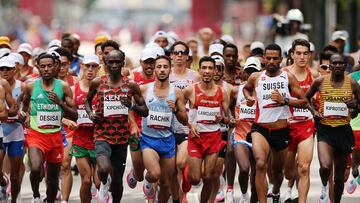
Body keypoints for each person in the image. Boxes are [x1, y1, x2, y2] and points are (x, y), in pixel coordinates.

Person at [243, 43, 307, 203]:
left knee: (278, 172)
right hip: (261, 128)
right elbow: (247, 88)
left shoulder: (288, 77)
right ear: (264, 58)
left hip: (281, 130)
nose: (271, 61)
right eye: (268, 58)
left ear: (281, 59)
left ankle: (276, 191)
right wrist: (249, 98)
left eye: (275, 58)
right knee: (260, 163)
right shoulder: (256, 77)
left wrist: (285, 100)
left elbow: (304, 100)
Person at [84, 50, 148, 203]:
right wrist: (91, 114)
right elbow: (87, 101)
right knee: (104, 168)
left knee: (118, 181)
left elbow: (145, 111)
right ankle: (105, 183)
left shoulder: (130, 85)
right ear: (105, 64)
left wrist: (131, 105)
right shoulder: (98, 82)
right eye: (110, 62)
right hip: (102, 134)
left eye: (117, 62)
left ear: (122, 63)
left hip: (121, 137)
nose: (114, 65)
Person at [20, 53, 78, 203]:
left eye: (49, 66)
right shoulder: (31, 86)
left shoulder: (63, 87)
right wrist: (24, 114)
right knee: (36, 169)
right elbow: (24, 104)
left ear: (55, 67)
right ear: (38, 68)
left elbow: (74, 115)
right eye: (43, 66)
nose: (46, 69)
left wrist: (60, 103)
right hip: (36, 135)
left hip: (55, 137)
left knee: (52, 181)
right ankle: (36, 196)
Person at [306, 53, 360, 203]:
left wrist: (355, 106)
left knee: (339, 177)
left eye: (340, 63)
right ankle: (324, 187)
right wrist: (314, 111)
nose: (337, 66)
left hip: (343, 130)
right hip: (325, 129)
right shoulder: (320, 81)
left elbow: (359, 107)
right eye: (334, 63)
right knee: (325, 166)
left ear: (345, 66)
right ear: (329, 66)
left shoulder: (353, 84)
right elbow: (306, 98)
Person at [182, 56, 230, 203]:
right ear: (199, 71)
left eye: (210, 68)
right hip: (196, 138)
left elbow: (228, 119)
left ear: (215, 70)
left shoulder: (222, 92)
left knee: (209, 176)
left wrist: (222, 119)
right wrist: (190, 124)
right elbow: (180, 109)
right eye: (204, 68)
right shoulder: (191, 90)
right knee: (195, 179)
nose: (207, 71)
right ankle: (187, 172)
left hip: (214, 138)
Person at [140, 55, 188, 202]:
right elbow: (132, 108)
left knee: (165, 184)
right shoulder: (143, 89)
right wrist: (134, 125)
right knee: (155, 174)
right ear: (154, 69)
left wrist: (175, 110)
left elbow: (185, 120)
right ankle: (147, 179)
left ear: (170, 69)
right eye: (159, 67)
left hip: (167, 140)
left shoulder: (177, 92)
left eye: (165, 67)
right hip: (148, 140)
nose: (162, 70)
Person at [283, 39, 319, 203]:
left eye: (305, 53)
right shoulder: (283, 74)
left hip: (306, 125)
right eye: (298, 53)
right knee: (288, 173)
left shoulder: (316, 76)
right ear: (292, 55)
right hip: (286, 126)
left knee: (304, 168)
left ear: (310, 55)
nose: (302, 57)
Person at [168, 41, 198, 203]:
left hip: (186, 127)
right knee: (171, 169)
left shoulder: (195, 76)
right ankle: (177, 198)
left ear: (187, 56)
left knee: (180, 164)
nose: (179, 55)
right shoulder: (165, 74)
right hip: (167, 128)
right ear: (171, 56)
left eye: (182, 53)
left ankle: (184, 192)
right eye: (176, 52)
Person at [69, 54, 101, 203]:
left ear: (99, 69)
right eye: (87, 66)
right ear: (81, 66)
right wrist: (67, 121)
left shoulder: (103, 90)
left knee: (99, 182)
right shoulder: (73, 89)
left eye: (94, 66)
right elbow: (62, 113)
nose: (90, 70)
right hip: (80, 140)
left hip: (99, 139)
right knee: (86, 180)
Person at [231, 56, 261, 203]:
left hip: (258, 136)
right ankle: (244, 194)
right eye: (248, 71)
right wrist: (231, 117)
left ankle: (253, 200)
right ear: (243, 73)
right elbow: (227, 107)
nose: (250, 75)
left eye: (254, 72)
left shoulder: (262, 91)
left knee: (257, 172)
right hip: (240, 135)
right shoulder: (236, 91)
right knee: (244, 169)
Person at [126, 48, 156, 190]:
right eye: (146, 62)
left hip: (156, 128)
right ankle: (135, 172)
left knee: (155, 167)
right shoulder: (133, 79)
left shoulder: (162, 78)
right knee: (139, 174)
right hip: (137, 127)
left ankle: (151, 179)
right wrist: (133, 125)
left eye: (152, 62)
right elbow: (128, 105)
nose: (149, 66)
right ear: (140, 62)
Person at [207, 55, 232, 203]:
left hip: (221, 131)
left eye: (220, 68)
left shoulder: (229, 89)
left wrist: (229, 120)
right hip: (204, 132)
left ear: (223, 71)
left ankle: (217, 193)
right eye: (214, 68)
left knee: (216, 169)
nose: (216, 71)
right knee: (205, 173)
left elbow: (232, 111)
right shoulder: (199, 86)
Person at [0, 56, 21, 203]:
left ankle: (14, 199)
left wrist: (13, 113)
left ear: (14, 70)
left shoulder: (5, 86)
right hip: (3, 131)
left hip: (15, 133)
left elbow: (13, 106)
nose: (5, 72)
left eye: (8, 69)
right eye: (2, 69)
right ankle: (2, 179)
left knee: (15, 174)